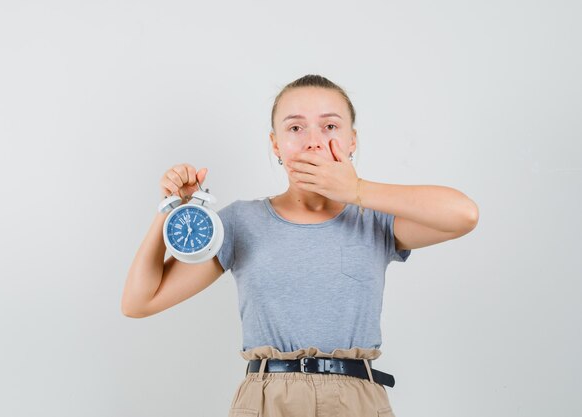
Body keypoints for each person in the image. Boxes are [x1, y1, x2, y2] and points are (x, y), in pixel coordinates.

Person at [121, 74, 480, 417]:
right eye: (295, 127)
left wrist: (356, 191)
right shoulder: (240, 222)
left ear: (352, 140)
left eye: (330, 126)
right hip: (266, 398)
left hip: (357, 398)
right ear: (276, 144)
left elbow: (464, 214)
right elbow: (140, 301)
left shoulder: (375, 218)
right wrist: (170, 209)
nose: (313, 141)